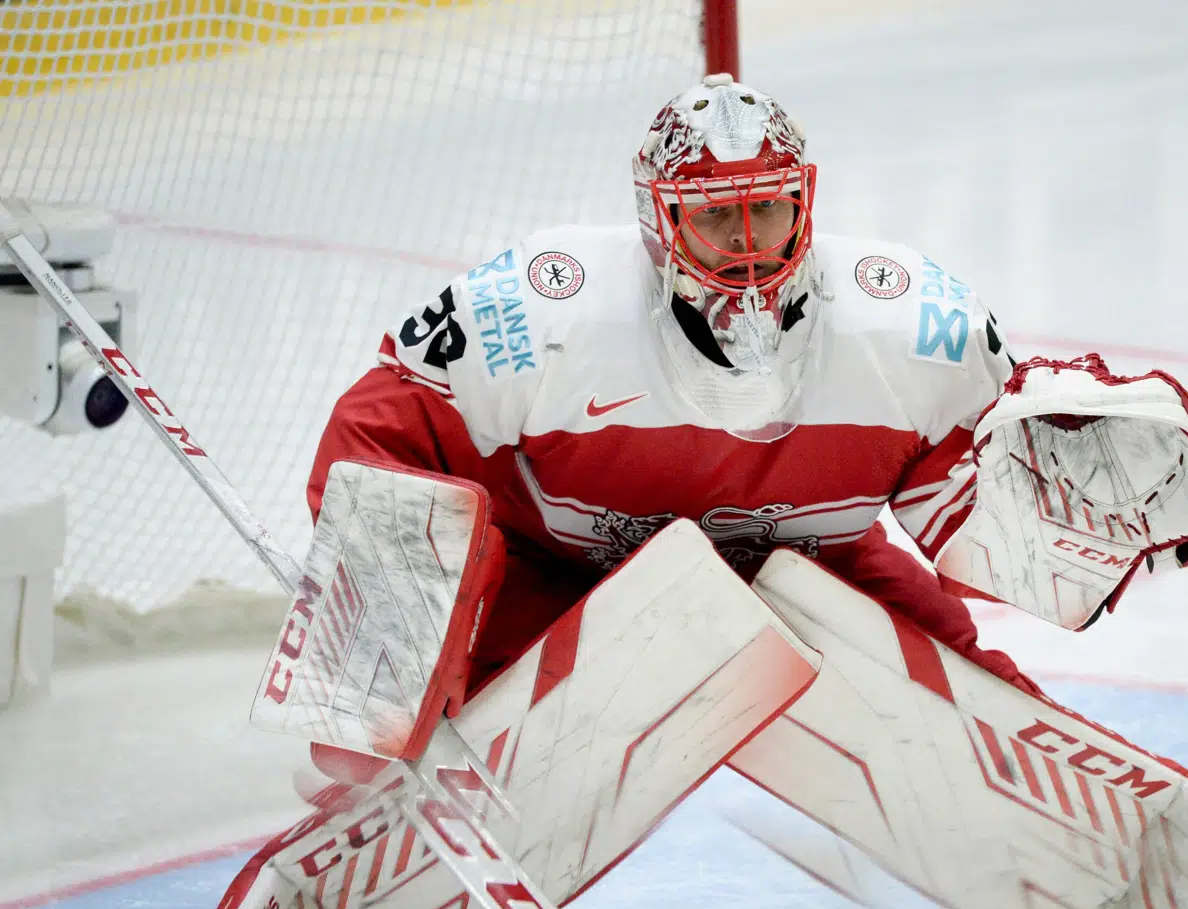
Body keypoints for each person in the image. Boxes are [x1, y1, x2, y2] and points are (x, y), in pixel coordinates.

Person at [309, 72, 1040, 698]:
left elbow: (995, 531)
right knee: (407, 725)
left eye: (765, 205)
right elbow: (377, 437)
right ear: (657, 220)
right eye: (716, 212)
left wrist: (1081, 507)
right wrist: (392, 635)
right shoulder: (538, 306)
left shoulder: (912, 320)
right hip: (563, 583)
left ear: (804, 202)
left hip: (814, 573)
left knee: (974, 700)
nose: (746, 239)